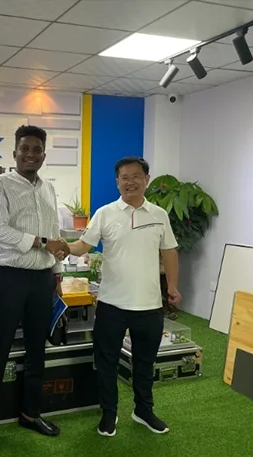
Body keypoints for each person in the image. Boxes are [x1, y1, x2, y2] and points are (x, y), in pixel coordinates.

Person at [68, 156, 181, 437]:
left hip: (149, 304)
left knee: (145, 363)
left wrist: (173, 287)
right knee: (106, 363)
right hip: (112, 304)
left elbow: (169, 252)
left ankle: (143, 410)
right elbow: (83, 245)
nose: (130, 182)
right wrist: (62, 247)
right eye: (124, 177)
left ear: (147, 180)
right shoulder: (105, 213)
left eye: (136, 176)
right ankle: (109, 413)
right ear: (117, 182)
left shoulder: (159, 215)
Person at [0, 125, 70, 455]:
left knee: (37, 351)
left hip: (43, 280)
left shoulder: (48, 188)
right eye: (25, 149)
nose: (30, 154)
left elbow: (55, 231)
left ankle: (31, 414)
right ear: (15, 152)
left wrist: (57, 275)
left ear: (44, 155)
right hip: (10, 279)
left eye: (37, 150)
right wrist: (43, 243)